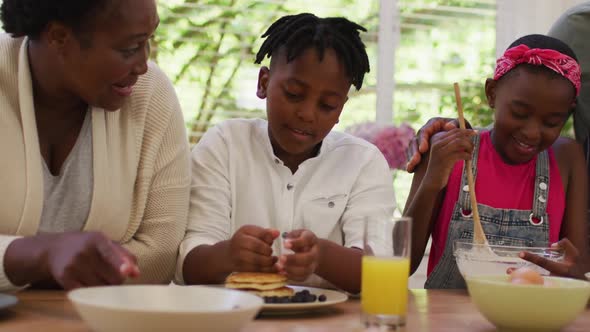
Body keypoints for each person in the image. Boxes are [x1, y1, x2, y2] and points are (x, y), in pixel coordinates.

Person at [177, 13, 395, 293]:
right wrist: (228, 254)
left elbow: (381, 272)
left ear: (341, 108)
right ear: (264, 83)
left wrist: (322, 257)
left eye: (327, 105)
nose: (306, 114)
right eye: (293, 94)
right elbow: (188, 265)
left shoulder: (363, 162)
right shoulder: (225, 145)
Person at [0, 0, 190, 291]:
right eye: (128, 49)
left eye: (148, 41)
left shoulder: (151, 95)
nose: (142, 65)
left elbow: (162, 255)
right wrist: (41, 254)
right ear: (59, 37)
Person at [404, 34, 589, 288]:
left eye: (552, 122)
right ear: (491, 93)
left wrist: (574, 268)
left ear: (569, 112)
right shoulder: (448, 150)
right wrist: (432, 181)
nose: (532, 132)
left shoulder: (567, 158)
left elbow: (576, 272)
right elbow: (401, 262)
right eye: (519, 113)